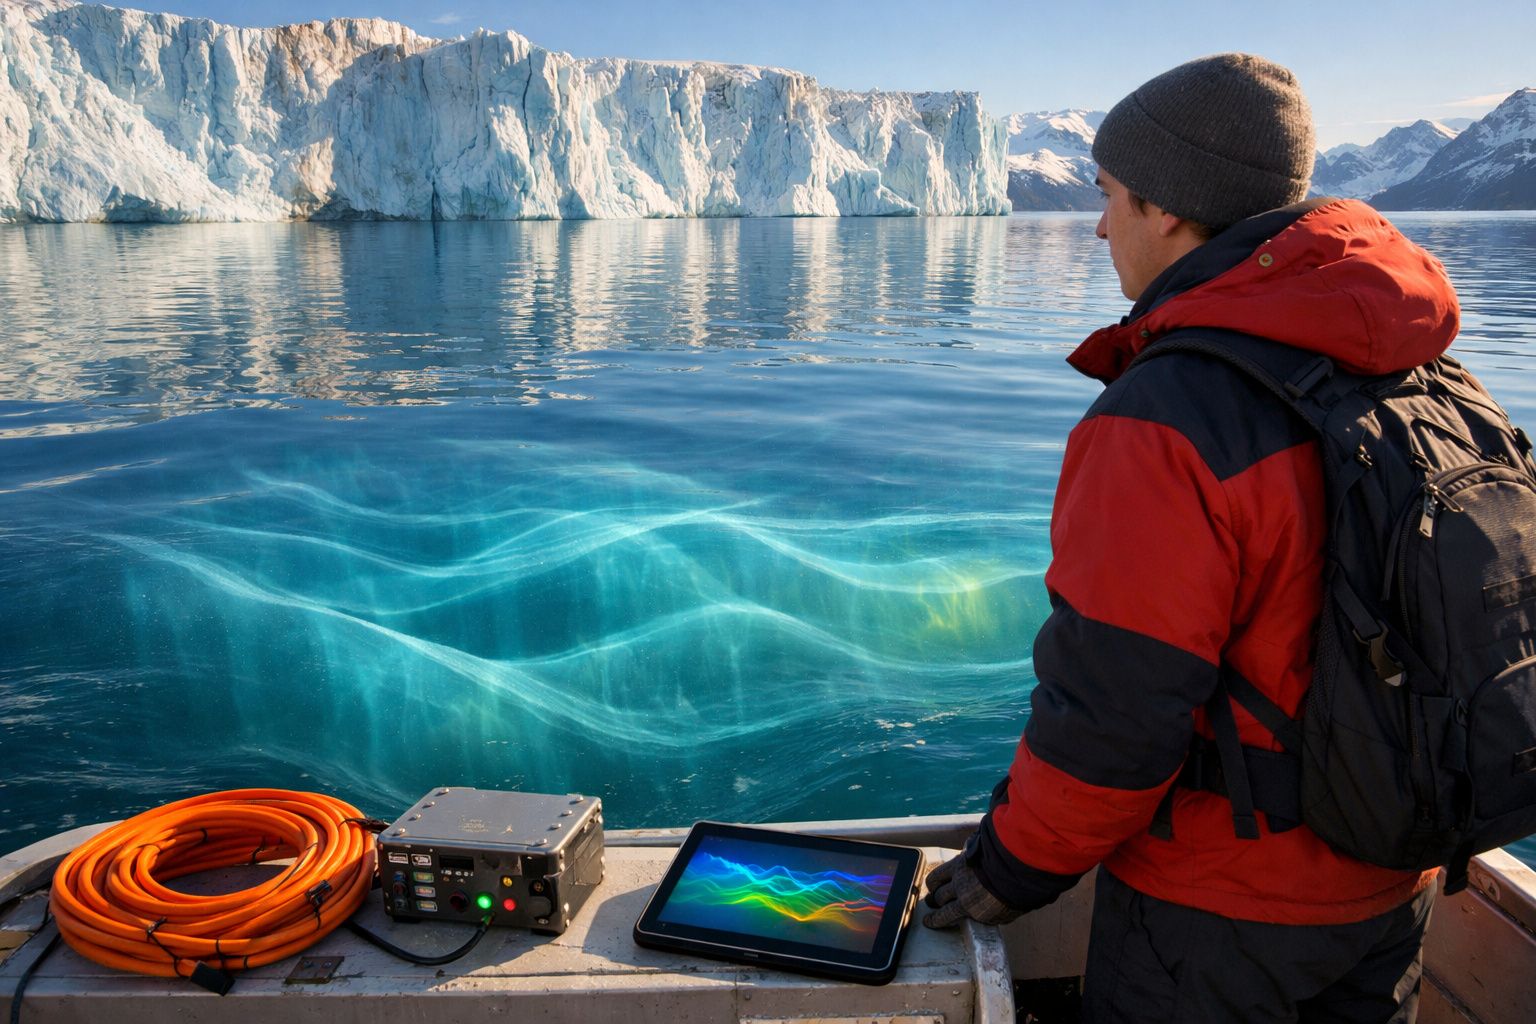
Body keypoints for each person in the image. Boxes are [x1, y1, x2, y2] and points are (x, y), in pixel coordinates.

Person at [922, 53, 1457, 1023]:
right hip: (1392, 882)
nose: (1095, 225)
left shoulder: (1167, 417)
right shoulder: (1414, 369)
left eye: (1109, 194)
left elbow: (1116, 710)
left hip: (1222, 917)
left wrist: (1012, 868)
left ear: (1167, 208)